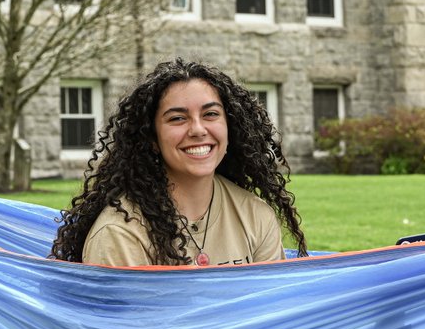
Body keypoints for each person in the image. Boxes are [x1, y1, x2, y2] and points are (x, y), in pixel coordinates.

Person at [51, 58, 307, 266]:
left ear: (231, 128)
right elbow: (128, 327)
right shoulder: (119, 232)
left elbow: (269, 317)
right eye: (177, 118)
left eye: (210, 114)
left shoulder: (255, 216)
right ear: (152, 138)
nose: (198, 129)